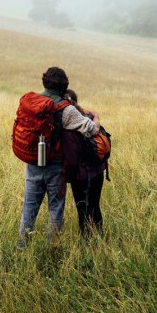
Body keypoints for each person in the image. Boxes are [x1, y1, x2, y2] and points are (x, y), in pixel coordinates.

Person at [18, 67, 99, 248]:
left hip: (32, 163)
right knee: (55, 208)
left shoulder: (31, 102)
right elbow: (91, 129)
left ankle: (22, 247)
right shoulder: (66, 109)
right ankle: (53, 249)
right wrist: (96, 119)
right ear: (64, 86)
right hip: (55, 165)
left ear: (44, 82)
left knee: (29, 208)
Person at [62, 89, 107, 236]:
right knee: (95, 206)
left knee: (82, 209)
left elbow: (72, 157)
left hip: (80, 175)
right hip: (98, 170)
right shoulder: (88, 116)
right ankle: (100, 239)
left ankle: (86, 243)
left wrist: (68, 176)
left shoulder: (68, 122)